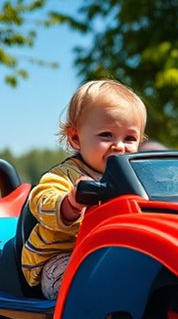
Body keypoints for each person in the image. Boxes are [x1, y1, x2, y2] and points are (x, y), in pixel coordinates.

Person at [21, 79, 147, 299]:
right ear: (76, 138)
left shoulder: (136, 180)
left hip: (109, 255)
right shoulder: (65, 175)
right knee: (95, 280)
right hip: (59, 258)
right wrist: (71, 203)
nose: (119, 146)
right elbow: (41, 201)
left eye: (129, 138)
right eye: (106, 135)